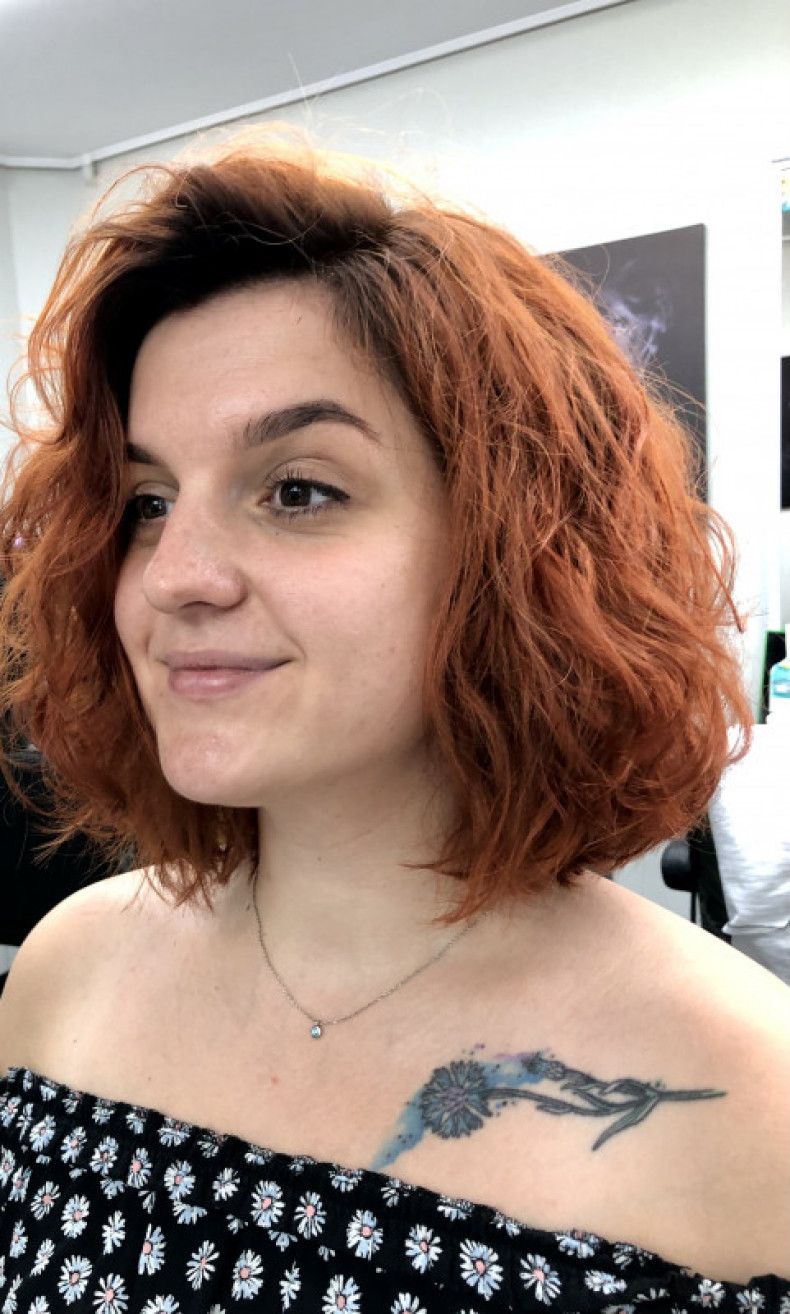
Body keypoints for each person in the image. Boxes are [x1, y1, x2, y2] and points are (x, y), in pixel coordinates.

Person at [0, 130, 787, 1311]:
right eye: (149, 501)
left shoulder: (750, 1097)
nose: (174, 577)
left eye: (298, 490)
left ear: (510, 550)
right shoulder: (67, 973)